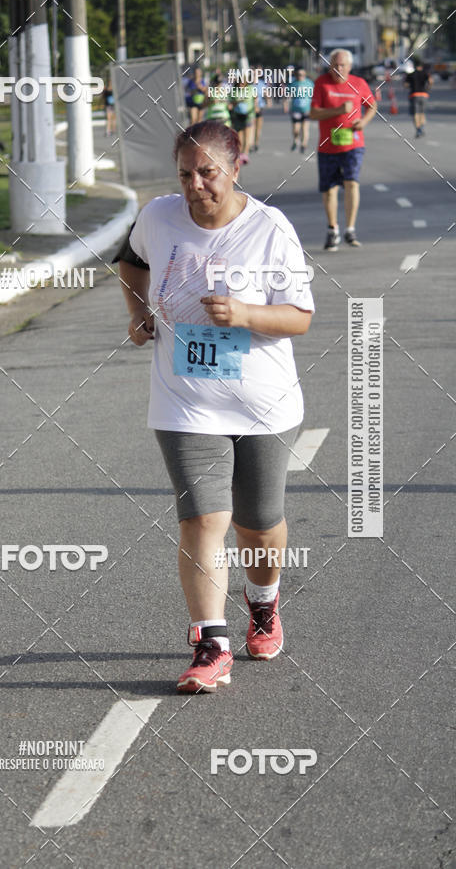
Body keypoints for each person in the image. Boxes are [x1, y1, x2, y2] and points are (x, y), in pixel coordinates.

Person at [114, 120, 314, 694]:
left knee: (259, 523)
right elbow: (130, 263)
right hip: (186, 402)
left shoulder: (270, 229)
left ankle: (264, 603)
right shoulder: (158, 218)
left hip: (263, 404)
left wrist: (246, 315)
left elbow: (299, 317)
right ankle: (210, 643)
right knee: (203, 518)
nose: (195, 186)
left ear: (236, 166)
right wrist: (137, 313)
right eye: (184, 174)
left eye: (208, 173)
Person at [310, 49, 376, 250]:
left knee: (351, 183)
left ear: (350, 66)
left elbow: (372, 106)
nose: (338, 69)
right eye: (334, 65)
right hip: (328, 145)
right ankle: (333, 230)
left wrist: (363, 122)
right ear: (329, 65)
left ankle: (350, 229)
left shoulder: (359, 83)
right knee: (329, 190)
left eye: (342, 65)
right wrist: (338, 111)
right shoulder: (322, 83)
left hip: (353, 144)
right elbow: (313, 113)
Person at [283, 67, 314, 153]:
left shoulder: (309, 83)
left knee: (305, 128)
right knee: (296, 129)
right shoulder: (293, 83)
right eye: (299, 75)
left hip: (307, 109)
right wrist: (285, 105)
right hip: (295, 110)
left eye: (303, 75)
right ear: (296, 75)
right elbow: (287, 95)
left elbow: (314, 95)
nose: (301, 76)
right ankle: (296, 141)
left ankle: (304, 144)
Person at [404, 59, 432, 138]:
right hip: (424, 94)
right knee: (422, 112)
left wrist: (410, 86)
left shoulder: (411, 74)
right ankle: (422, 127)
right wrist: (428, 88)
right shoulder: (425, 73)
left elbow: (405, 85)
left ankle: (418, 129)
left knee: (415, 113)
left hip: (414, 95)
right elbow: (430, 81)